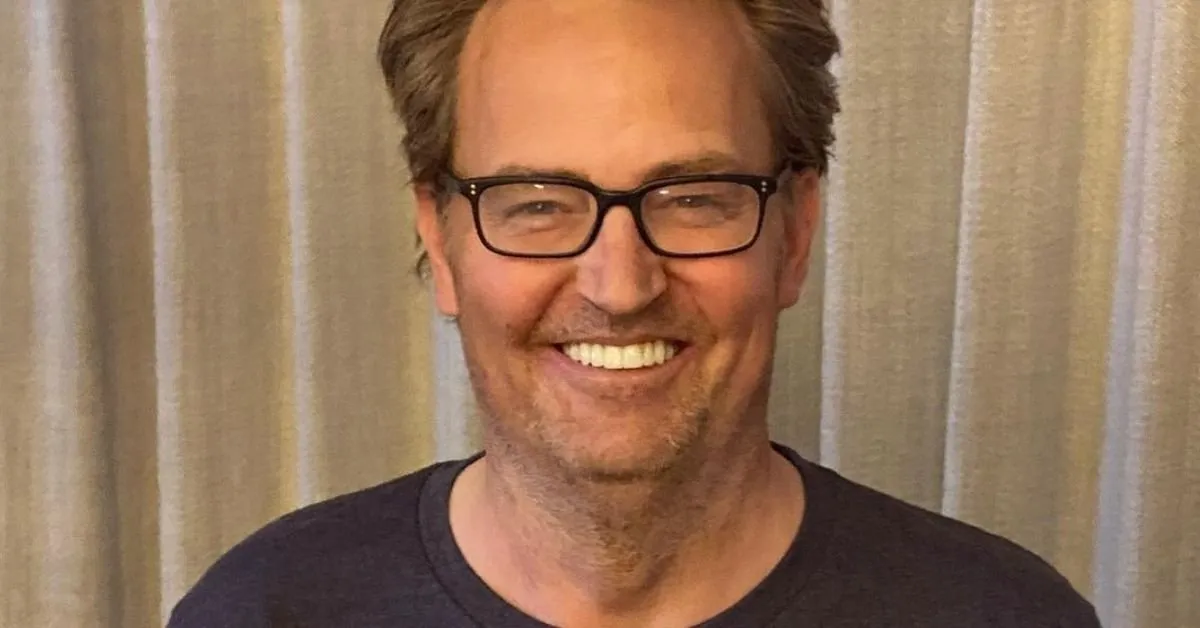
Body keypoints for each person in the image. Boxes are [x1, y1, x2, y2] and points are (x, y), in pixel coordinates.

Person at [169, 0, 1102, 626]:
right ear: (440, 242)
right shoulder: (263, 611)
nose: (619, 285)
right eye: (538, 202)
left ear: (795, 233)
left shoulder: (1006, 616)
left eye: (695, 197)